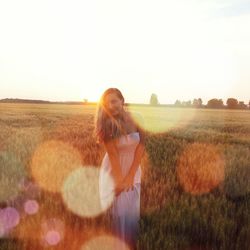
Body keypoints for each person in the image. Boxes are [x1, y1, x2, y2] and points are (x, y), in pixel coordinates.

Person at [94, 87, 145, 250]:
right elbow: (114, 156)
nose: (110, 106)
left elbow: (142, 145)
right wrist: (120, 182)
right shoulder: (108, 123)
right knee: (120, 214)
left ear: (122, 100)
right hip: (114, 171)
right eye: (107, 103)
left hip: (133, 168)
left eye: (114, 101)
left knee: (131, 214)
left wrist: (131, 175)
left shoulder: (137, 118)